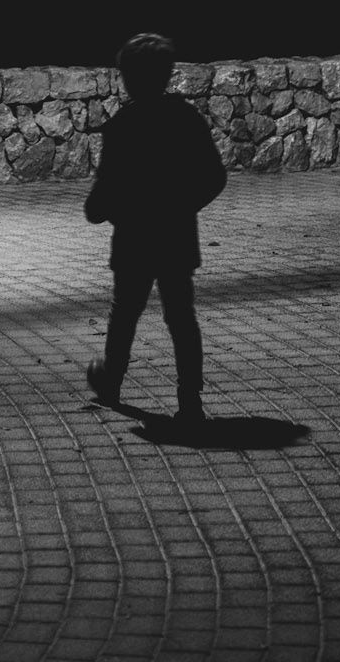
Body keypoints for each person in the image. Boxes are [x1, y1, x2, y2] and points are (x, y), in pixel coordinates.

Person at [84, 32, 228, 425]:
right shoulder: (186, 119)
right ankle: (190, 400)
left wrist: (99, 209)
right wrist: (183, 206)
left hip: (133, 237)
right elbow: (215, 176)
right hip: (177, 236)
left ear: (129, 76)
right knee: (181, 318)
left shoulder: (124, 125)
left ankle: (111, 383)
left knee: (124, 313)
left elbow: (107, 188)